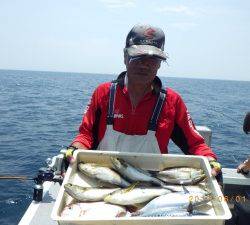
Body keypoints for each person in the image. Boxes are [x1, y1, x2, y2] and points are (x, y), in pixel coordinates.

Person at [66, 24, 221, 177]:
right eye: (138, 56)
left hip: (153, 183)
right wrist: (75, 148)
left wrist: (211, 161)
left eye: (153, 58)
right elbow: (86, 135)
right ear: (125, 57)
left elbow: (196, 144)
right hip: (104, 178)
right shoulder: (103, 93)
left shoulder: (172, 102)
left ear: (160, 63)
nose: (145, 64)